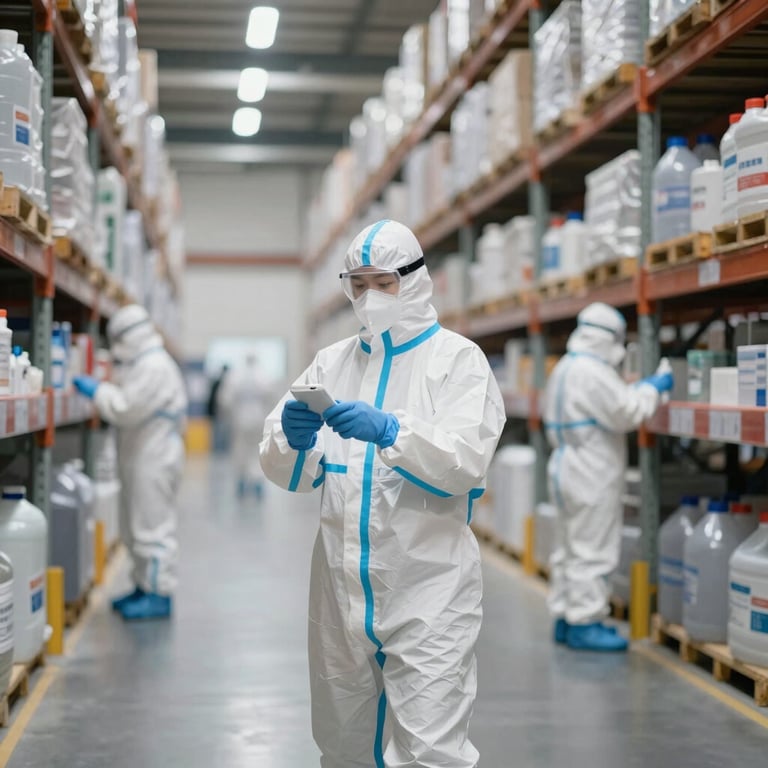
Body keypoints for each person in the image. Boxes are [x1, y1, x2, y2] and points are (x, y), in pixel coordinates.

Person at [260, 220, 505, 768]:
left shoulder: (457, 361)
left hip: (428, 594)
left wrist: (394, 432)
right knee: (341, 745)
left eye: (384, 283)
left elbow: (466, 460)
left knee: (430, 751)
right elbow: (286, 467)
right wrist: (292, 440)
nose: (370, 297)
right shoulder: (332, 362)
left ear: (415, 280)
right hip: (339, 595)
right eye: (359, 284)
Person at [543, 302, 673, 652]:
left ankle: (566, 616)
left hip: (564, 464)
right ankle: (585, 623)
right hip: (591, 470)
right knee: (592, 548)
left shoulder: (567, 366)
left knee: (567, 546)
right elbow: (627, 412)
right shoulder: (593, 371)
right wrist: (653, 388)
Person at [74, 304, 187, 621]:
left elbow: (125, 408)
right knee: (135, 524)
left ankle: (159, 594)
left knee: (152, 526)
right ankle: (142, 585)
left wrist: (98, 391)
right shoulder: (143, 364)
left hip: (155, 458)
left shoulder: (154, 366)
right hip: (142, 455)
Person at [217, 352, 272, 498]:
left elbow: (225, 399)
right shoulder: (263, 375)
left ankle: (242, 479)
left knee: (240, 450)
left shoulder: (235, 376)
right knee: (258, 450)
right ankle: (257, 480)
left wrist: (230, 416)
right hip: (259, 420)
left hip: (240, 420)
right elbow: (271, 397)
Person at [206, 363, 230, 454]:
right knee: (217, 432)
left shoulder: (225, 383)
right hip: (218, 412)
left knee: (221, 433)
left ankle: (221, 450)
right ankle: (217, 451)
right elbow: (216, 399)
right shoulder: (218, 383)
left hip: (223, 413)